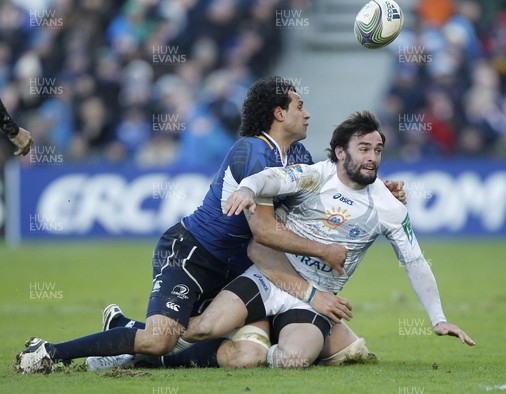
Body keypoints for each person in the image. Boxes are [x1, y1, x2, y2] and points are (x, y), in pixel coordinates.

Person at [16, 77, 404, 373]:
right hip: (194, 254)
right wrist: (325, 252)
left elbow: (333, 184)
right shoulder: (251, 151)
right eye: (300, 106)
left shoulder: (297, 154)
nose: (308, 114)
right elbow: (265, 233)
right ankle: (49, 351)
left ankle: (123, 332)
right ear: (278, 113)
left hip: (238, 268)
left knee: (247, 354)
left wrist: (378, 191)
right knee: (160, 339)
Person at [173, 111, 475, 368]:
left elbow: (414, 260)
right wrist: (248, 188)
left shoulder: (389, 207)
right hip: (271, 278)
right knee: (203, 328)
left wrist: (438, 318)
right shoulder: (316, 176)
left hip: (317, 301)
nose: (372, 157)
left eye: (378, 150)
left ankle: (257, 343)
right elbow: (271, 177)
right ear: (341, 152)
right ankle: (143, 352)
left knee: (294, 361)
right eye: (364, 148)